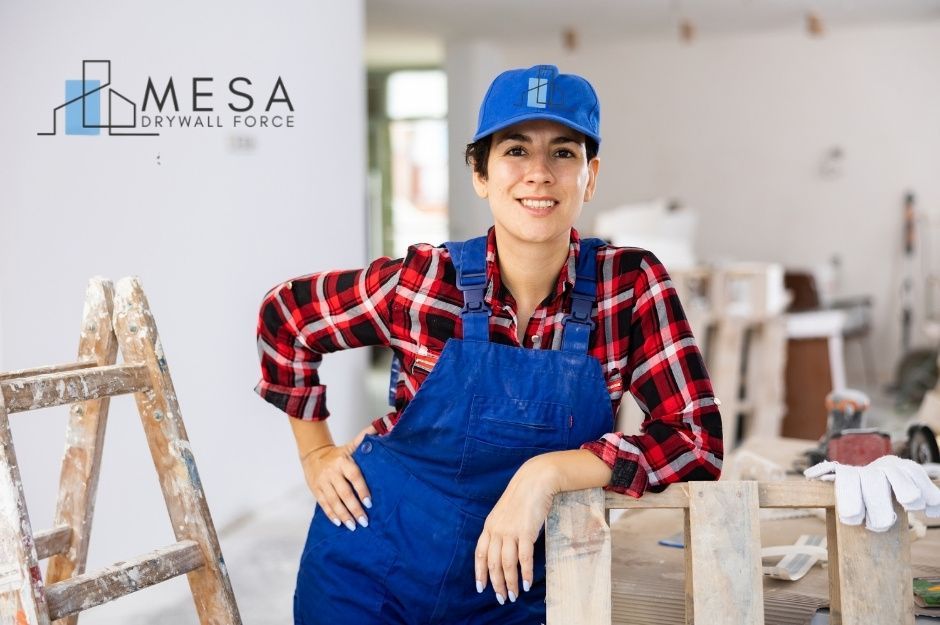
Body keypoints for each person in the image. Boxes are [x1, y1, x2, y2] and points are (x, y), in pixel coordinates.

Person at [255, 63, 723, 625]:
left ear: (590, 176)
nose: (539, 174)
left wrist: (547, 473)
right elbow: (286, 316)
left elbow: (696, 442)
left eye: (564, 153)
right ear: (481, 173)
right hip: (368, 570)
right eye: (516, 151)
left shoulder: (629, 286)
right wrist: (315, 452)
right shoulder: (427, 282)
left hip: (517, 587)